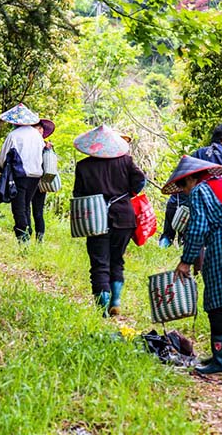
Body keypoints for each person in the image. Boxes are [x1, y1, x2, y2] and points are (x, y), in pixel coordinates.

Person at [165, 156, 222, 376]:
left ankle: (221, 361)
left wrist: (186, 261)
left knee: (217, 300)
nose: (184, 191)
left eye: (182, 186)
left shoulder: (199, 191)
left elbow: (197, 228)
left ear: (191, 179)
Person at [73, 125, 146, 316]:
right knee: (117, 260)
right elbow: (140, 181)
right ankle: (115, 300)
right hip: (124, 217)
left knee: (99, 263)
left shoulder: (83, 166)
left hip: (95, 220)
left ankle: (102, 310)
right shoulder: (126, 161)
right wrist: (128, 193)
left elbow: (78, 195)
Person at [160, 123, 222, 248]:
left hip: (195, 203)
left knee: (174, 203)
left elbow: (185, 177)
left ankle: (168, 241)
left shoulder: (198, 154)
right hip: (220, 207)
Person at [0, 103, 45, 244]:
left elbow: (2, 158)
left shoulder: (13, 135)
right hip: (36, 176)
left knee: (19, 207)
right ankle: (27, 233)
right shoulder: (37, 136)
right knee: (25, 205)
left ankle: (23, 238)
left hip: (20, 176)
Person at [30, 119, 55, 243]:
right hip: (31, 180)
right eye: (37, 128)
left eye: (41, 128)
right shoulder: (30, 143)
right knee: (27, 210)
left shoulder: (46, 145)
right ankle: (27, 236)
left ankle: (40, 238)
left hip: (41, 182)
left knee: (38, 212)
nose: (39, 130)